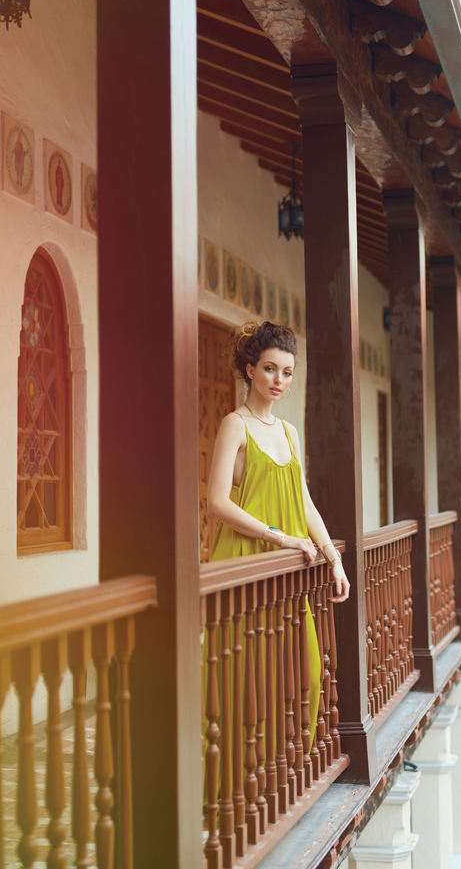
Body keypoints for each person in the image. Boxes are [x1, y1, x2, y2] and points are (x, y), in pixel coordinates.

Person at [205, 320, 350, 761]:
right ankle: (240, 785)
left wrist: (332, 557)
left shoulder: (289, 432)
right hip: (245, 561)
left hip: (288, 566)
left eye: (287, 372)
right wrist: (280, 537)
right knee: (243, 681)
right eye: (270, 369)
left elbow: (303, 501)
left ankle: (283, 769)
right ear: (250, 370)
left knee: (305, 673)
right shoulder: (236, 425)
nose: (279, 381)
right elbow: (216, 502)